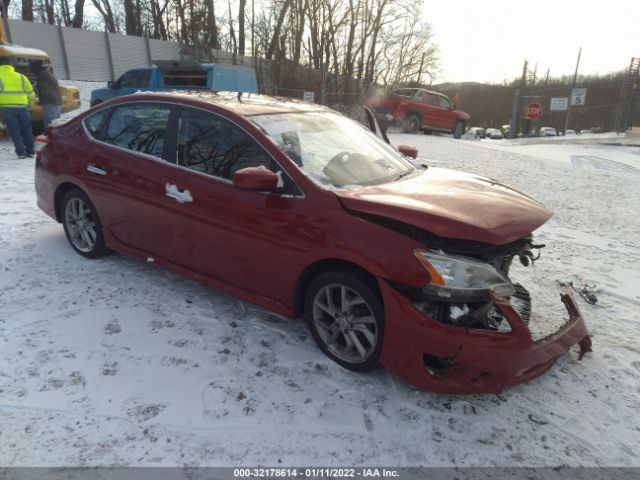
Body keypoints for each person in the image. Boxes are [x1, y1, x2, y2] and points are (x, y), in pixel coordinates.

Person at [0, 56, 35, 158]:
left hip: (7, 109)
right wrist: (29, 104)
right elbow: (30, 93)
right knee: (27, 130)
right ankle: (31, 151)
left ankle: (21, 153)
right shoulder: (22, 77)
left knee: (15, 131)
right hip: (23, 108)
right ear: (10, 65)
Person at [30, 60, 62, 128]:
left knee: (50, 124)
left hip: (49, 102)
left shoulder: (41, 75)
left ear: (35, 68)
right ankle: (55, 138)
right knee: (56, 124)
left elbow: (44, 88)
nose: (31, 71)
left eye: (31, 69)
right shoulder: (47, 73)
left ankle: (50, 138)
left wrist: (37, 94)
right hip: (56, 101)